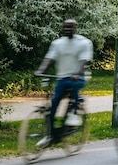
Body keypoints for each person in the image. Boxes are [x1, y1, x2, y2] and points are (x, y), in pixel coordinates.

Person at [34, 18, 93, 147]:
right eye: (66, 27)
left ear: (75, 28)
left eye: (70, 27)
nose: (68, 29)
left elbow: (84, 61)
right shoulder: (57, 43)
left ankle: (74, 113)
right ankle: (50, 135)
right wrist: (40, 70)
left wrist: (77, 73)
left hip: (79, 77)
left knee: (74, 86)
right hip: (62, 78)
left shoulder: (83, 43)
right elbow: (49, 58)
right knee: (53, 104)